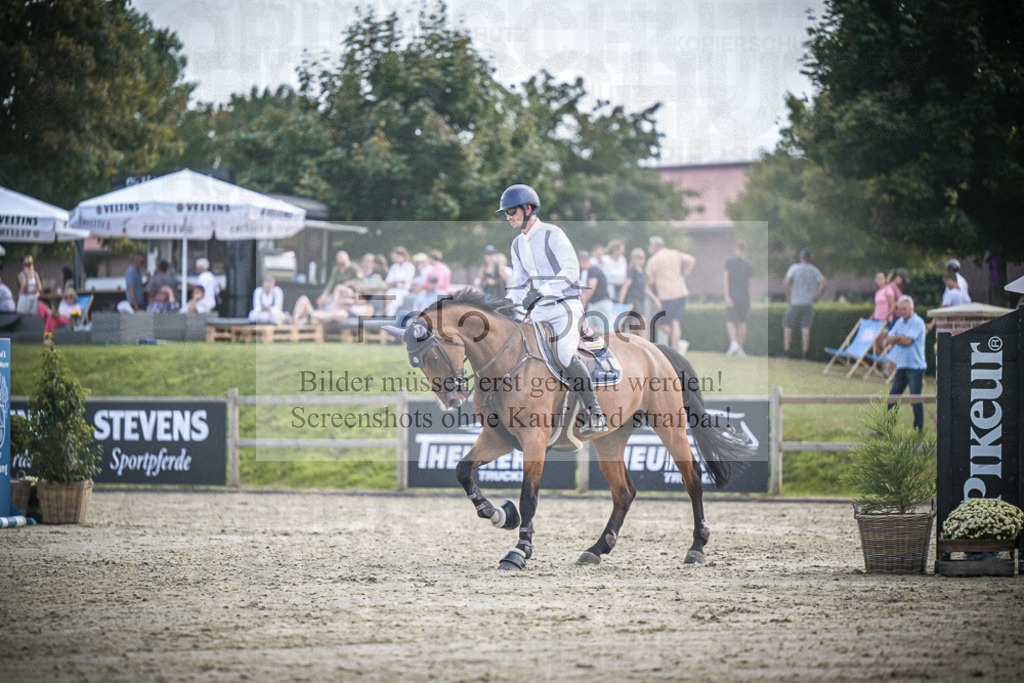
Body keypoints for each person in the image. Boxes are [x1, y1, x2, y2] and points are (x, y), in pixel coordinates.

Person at [499, 183, 607, 434]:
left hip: (564, 307)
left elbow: (571, 272)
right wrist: (508, 303)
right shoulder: (516, 244)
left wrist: (542, 291)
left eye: (511, 211)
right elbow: (518, 283)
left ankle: (596, 413)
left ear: (528, 209)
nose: (507, 217)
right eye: (505, 212)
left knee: (565, 354)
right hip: (537, 311)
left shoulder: (552, 234)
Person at [645, 235, 696, 352]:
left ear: (654, 247)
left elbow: (649, 281)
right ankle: (677, 346)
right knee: (675, 321)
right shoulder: (674, 253)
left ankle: (677, 344)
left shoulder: (653, 260)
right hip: (680, 291)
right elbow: (691, 260)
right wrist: (683, 276)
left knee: (657, 321)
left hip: (666, 295)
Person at [885, 295, 927, 431]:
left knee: (915, 399)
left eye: (904, 309)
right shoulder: (899, 322)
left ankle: (918, 429)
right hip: (902, 366)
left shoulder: (918, 322)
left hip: (916, 367)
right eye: (900, 309)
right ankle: (888, 428)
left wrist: (896, 339)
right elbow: (887, 338)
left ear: (911, 308)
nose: (901, 311)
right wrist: (898, 337)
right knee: (893, 397)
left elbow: (908, 342)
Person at [781, 248, 826, 360]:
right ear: (810, 259)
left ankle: (786, 353)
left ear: (801, 258)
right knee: (805, 329)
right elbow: (823, 284)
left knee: (787, 326)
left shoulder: (794, 268)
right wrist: (817, 296)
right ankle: (804, 355)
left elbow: (786, 282)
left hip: (795, 302)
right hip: (808, 303)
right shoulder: (814, 270)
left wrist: (788, 294)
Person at [723, 241, 753, 356]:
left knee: (730, 321)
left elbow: (725, 280)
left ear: (736, 250)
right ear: (745, 251)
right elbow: (750, 285)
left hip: (733, 295)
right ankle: (739, 348)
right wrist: (750, 302)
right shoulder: (749, 265)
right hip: (745, 297)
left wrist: (726, 296)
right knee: (742, 322)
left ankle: (734, 344)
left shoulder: (729, 262)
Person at [293, 284, 370, 324]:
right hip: (325, 314)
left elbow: (367, 316)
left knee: (340, 313)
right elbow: (338, 287)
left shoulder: (368, 307)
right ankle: (295, 321)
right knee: (303, 299)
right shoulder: (348, 301)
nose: (357, 298)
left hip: (342, 315)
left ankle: (309, 318)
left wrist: (349, 308)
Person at [579, 251, 612, 336]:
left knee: (605, 332)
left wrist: (582, 305)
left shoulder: (593, 270)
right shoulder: (589, 271)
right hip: (593, 304)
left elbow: (591, 288)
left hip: (600, 303)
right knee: (588, 329)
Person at [384, 247, 415, 316]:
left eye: (395, 257)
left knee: (394, 303)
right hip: (392, 290)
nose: (393, 259)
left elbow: (406, 282)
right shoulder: (394, 267)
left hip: (403, 291)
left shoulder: (409, 266)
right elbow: (388, 282)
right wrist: (397, 282)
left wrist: (396, 282)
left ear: (401, 256)